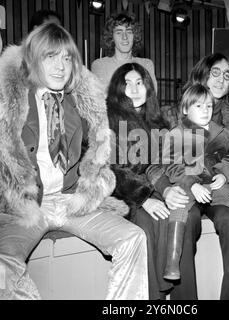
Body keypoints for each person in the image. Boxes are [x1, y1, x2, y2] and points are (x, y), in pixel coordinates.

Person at [0, 23, 148, 300]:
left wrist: (93, 183)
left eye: (66, 58)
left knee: (133, 239)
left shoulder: (80, 101)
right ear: (33, 59)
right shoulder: (12, 101)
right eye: (50, 57)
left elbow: (99, 153)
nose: (60, 67)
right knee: (2, 266)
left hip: (72, 201)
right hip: (28, 206)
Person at [147, 83, 229, 281]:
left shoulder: (221, 133)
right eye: (198, 106)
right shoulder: (176, 134)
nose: (205, 110)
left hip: (213, 184)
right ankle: (172, 261)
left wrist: (224, 174)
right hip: (187, 184)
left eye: (208, 106)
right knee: (180, 205)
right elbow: (171, 166)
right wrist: (192, 185)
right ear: (185, 110)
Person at [107, 62, 202, 300]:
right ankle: (154, 298)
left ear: (149, 88)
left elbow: (166, 164)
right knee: (146, 226)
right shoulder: (107, 120)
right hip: (121, 195)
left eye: (139, 83)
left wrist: (170, 190)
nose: (135, 89)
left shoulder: (159, 122)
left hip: (156, 187)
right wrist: (145, 199)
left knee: (185, 216)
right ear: (119, 89)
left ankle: (185, 299)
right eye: (127, 84)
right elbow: (112, 170)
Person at [180, 52, 229, 299]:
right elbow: (169, 160)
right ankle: (184, 302)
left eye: (226, 75)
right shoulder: (182, 109)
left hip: (222, 190)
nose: (221, 80)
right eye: (215, 72)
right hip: (190, 188)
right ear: (202, 74)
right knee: (187, 218)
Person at [91, 12, 157, 93]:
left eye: (129, 32)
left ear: (135, 35)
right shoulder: (100, 65)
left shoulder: (146, 64)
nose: (125, 37)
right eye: (119, 32)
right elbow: (98, 101)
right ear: (111, 37)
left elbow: (151, 99)